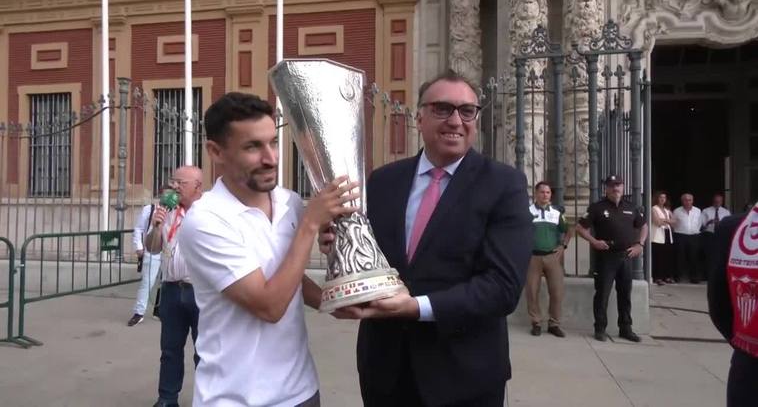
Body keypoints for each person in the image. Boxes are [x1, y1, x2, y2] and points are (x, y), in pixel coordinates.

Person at [320, 70, 533, 407]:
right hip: (385, 371)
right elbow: (368, 256)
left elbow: (503, 287)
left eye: (467, 111)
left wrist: (415, 307)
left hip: (464, 376)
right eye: (442, 108)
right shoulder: (383, 181)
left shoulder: (504, 185)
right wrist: (339, 249)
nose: (455, 120)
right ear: (418, 117)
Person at [178, 92, 358, 407]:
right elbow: (269, 306)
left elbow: (286, 277)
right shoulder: (205, 221)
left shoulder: (288, 202)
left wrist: (332, 301)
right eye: (252, 147)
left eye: (273, 142)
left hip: (301, 391)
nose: (271, 158)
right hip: (236, 398)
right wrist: (309, 226)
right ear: (215, 151)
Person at [145, 165, 204, 407]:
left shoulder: (209, 213)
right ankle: (167, 399)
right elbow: (152, 248)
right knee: (170, 351)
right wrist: (157, 225)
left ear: (198, 187)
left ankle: (207, 399)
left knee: (205, 353)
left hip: (201, 293)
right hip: (170, 289)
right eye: (173, 182)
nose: (175, 187)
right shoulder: (166, 211)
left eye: (181, 183)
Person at [576, 175, 648, 342]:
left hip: (626, 256)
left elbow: (643, 226)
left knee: (625, 294)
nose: (616, 188)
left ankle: (626, 328)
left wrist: (640, 244)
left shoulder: (631, 207)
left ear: (623, 187)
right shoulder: (597, 208)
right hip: (606, 257)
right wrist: (594, 241)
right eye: (612, 186)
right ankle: (600, 328)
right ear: (606, 189)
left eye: (618, 185)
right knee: (602, 294)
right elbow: (580, 228)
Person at [707, 206, 756, 407]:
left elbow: (719, 306)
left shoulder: (733, 226)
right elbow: (718, 303)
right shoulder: (732, 227)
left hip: (749, 362)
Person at [526, 181, 571, 337]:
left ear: (551, 195)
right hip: (532, 257)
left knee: (557, 291)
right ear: (536, 194)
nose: (545, 195)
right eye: (542, 192)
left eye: (548, 193)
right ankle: (536, 322)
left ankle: (554, 324)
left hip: (552, 256)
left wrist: (563, 245)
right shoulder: (527, 211)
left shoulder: (556, 213)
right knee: (532, 291)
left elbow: (568, 230)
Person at [127, 185, 171, 326]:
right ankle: (139, 312)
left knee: (166, 283)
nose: (168, 198)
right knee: (147, 282)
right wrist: (139, 247)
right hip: (151, 250)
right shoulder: (150, 209)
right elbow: (139, 228)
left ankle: (159, 310)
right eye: (166, 194)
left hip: (168, 252)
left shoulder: (174, 212)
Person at [673, 193, 702, 283]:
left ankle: (694, 277)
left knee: (694, 257)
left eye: (689, 200)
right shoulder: (677, 211)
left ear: (692, 201)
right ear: (682, 201)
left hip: (694, 236)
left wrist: (695, 230)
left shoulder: (698, 210)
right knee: (680, 257)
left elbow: (700, 222)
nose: (687, 202)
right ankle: (679, 277)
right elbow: (673, 223)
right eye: (685, 200)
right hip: (680, 235)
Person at [701, 192, 731, 273]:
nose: (717, 203)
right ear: (713, 201)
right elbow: (702, 226)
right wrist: (709, 222)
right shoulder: (706, 211)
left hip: (721, 236)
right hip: (709, 235)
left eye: (719, 201)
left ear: (722, 202)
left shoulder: (726, 212)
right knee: (709, 255)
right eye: (716, 201)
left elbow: (729, 225)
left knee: (720, 255)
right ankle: (708, 273)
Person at [651, 191, 676, 285]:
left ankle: (667, 276)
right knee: (659, 257)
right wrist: (667, 220)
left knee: (667, 256)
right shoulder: (654, 208)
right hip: (658, 235)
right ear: (657, 198)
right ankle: (658, 277)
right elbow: (657, 222)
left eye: (664, 198)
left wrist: (664, 220)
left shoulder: (667, 209)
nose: (662, 199)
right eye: (660, 197)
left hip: (667, 233)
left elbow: (675, 221)